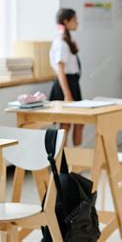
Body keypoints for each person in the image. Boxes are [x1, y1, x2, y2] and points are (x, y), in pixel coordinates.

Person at [49, 8, 83, 146]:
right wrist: (67, 94)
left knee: (79, 122)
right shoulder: (61, 43)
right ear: (66, 21)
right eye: (74, 20)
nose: (77, 22)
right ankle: (62, 160)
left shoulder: (68, 40)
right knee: (66, 124)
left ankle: (76, 160)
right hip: (65, 85)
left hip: (73, 83)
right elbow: (60, 71)